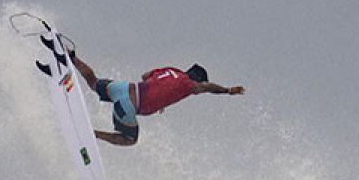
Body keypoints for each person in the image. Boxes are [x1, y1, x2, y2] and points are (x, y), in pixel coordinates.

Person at [68, 53, 244, 146]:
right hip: (128, 106)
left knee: (93, 82)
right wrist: (228, 91)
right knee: (130, 140)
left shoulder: (172, 70)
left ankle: (70, 56)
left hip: (122, 88)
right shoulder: (189, 85)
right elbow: (207, 87)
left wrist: (161, 95)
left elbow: (145, 75)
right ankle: (92, 134)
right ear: (197, 81)